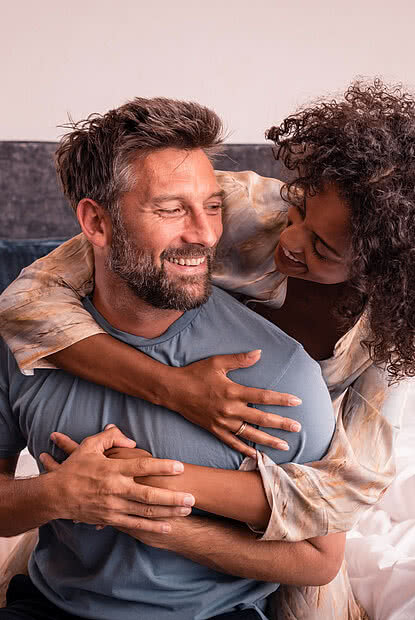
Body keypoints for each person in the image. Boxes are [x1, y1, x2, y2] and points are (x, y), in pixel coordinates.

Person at [1, 79, 411, 618]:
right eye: (298, 212)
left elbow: (333, 505)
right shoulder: (237, 206)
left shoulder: (364, 354)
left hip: (265, 525)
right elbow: (26, 299)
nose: (290, 241)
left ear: (378, 271)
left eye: (322, 247)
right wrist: (175, 391)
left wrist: (144, 487)